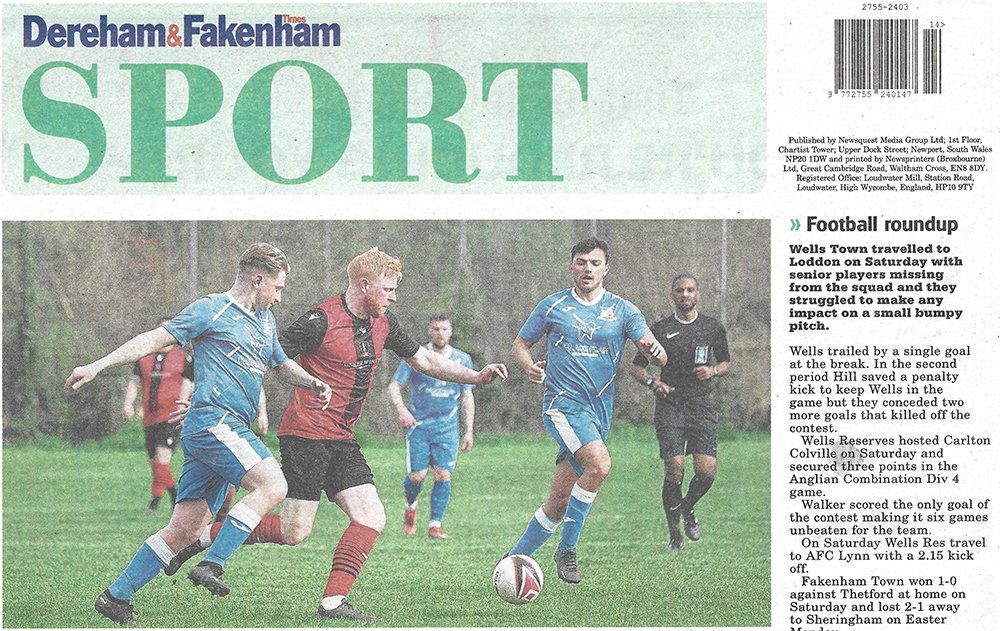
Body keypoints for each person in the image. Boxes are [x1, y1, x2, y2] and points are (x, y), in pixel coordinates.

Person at [165, 247, 507, 621]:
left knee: (370, 516)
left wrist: (475, 377)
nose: (393, 297)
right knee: (296, 531)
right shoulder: (319, 320)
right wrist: (204, 402)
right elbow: (260, 358)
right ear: (365, 285)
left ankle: (332, 603)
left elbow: (422, 360)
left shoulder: (385, 322)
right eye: (388, 289)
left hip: (341, 436)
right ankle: (206, 538)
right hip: (305, 435)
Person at [66, 243, 333, 626]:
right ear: (257, 280)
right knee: (273, 485)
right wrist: (99, 364)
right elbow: (152, 339)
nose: (280, 296)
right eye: (278, 287)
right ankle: (213, 564)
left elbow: (280, 364)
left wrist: (311, 381)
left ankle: (115, 597)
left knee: (184, 529)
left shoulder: (264, 321)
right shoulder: (211, 309)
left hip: (221, 428)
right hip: (215, 423)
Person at [504, 237, 666, 584]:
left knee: (558, 502)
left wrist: (656, 351)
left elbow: (658, 352)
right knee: (600, 464)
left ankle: (511, 561)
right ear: (571, 266)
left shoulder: (623, 310)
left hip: (598, 414)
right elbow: (520, 344)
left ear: (606, 268)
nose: (587, 269)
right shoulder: (553, 305)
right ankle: (567, 550)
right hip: (562, 405)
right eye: (581, 262)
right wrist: (529, 366)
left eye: (594, 263)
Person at [629, 273, 731, 551]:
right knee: (675, 470)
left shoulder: (712, 328)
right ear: (672, 294)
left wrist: (712, 371)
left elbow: (725, 363)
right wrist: (654, 383)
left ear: (698, 293)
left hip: (701, 407)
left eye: (690, 290)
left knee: (706, 473)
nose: (685, 295)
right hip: (671, 405)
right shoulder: (660, 330)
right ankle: (675, 534)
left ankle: (687, 507)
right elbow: (638, 367)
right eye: (679, 290)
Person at [387, 314, 476, 540]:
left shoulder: (462, 359)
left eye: (444, 329)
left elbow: (467, 396)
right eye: (436, 329)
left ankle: (435, 525)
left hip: (447, 427)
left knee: (443, 474)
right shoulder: (417, 356)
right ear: (430, 331)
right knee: (417, 476)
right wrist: (402, 411)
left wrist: (468, 430)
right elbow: (394, 387)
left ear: (451, 331)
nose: (440, 333)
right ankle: (410, 505)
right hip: (419, 426)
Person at [121, 317, 194, 515]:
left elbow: (189, 385)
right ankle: (175, 495)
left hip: (171, 417)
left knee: (162, 459)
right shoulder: (143, 357)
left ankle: (154, 502)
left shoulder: (184, 358)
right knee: (157, 464)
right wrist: (128, 404)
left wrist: (182, 410)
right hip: (150, 417)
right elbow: (134, 383)